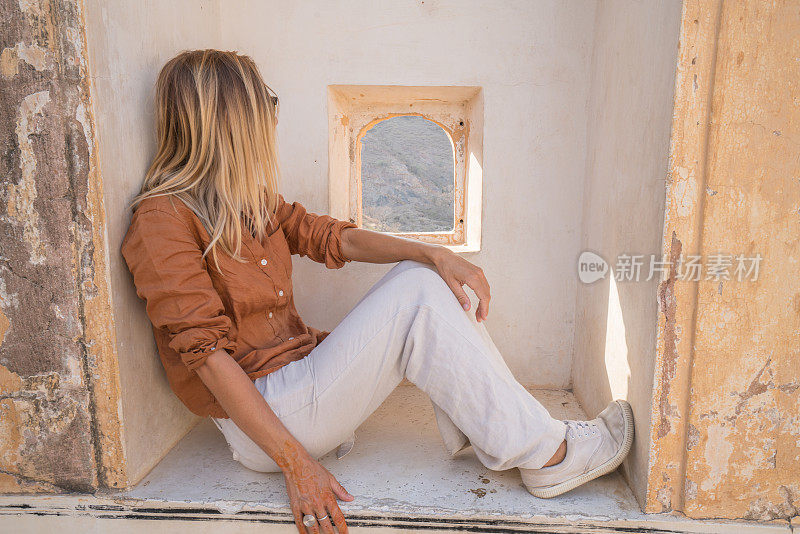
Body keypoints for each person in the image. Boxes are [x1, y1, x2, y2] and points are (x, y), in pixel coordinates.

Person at [121, 49, 634, 534]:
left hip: (297, 383)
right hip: (265, 417)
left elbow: (328, 236)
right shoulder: (160, 221)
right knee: (417, 294)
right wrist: (296, 464)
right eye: (264, 104)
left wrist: (434, 254)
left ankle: (514, 432)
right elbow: (207, 358)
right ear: (227, 123)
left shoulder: (244, 202)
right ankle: (550, 456)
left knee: (426, 278)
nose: (272, 117)